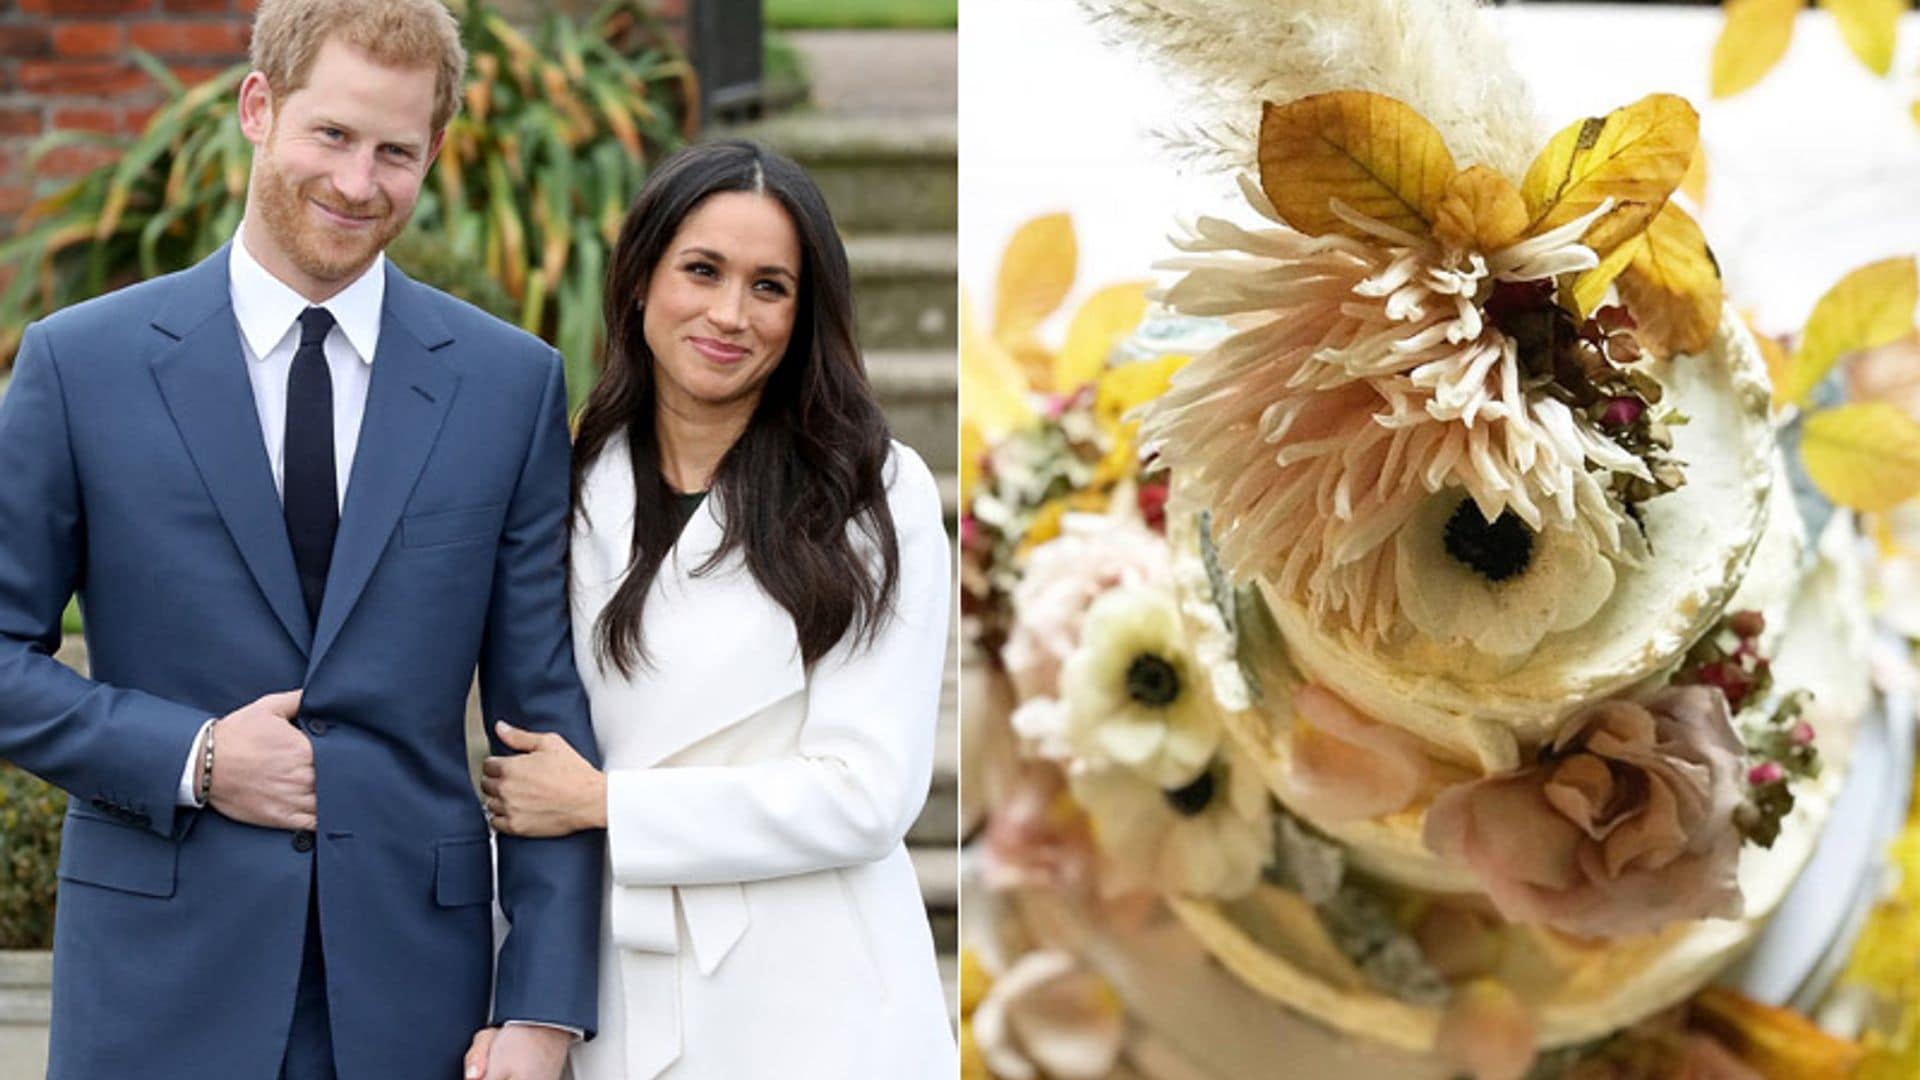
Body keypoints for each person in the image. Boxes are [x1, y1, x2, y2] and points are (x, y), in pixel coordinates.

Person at [0, 2, 600, 1077]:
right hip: (157, 987)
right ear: (257, 108)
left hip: (417, 1000)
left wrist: (545, 1004)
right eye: (332, 134)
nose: (359, 183)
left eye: (396, 151)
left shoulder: (508, 387)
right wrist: (194, 758)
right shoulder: (77, 366)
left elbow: (540, 721)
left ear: (435, 153)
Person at [463, 140, 957, 1080]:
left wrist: (611, 805)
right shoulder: (562, 485)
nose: (731, 314)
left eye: (770, 287)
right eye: (703, 271)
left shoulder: (871, 492)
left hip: (818, 994)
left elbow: (867, 793)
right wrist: (522, 998)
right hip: (617, 988)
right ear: (642, 277)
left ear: (804, 313)